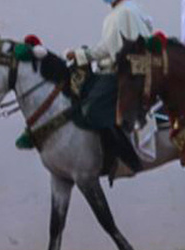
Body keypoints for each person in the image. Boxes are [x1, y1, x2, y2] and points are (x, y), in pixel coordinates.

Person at [66, 0, 154, 172]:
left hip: (126, 73)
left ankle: (124, 155)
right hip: (120, 68)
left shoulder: (123, 12)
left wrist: (81, 54)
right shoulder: (127, 9)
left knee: (93, 108)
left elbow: (107, 49)